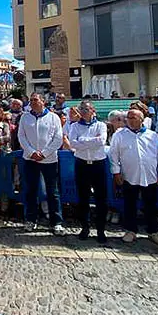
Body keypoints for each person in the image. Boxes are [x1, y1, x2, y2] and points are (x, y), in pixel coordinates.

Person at [109, 109, 158, 246]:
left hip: (150, 176)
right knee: (129, 204)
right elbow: (114, 155)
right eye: (128, 117)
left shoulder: (152, 135)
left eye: (133, 117)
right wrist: (116, 172)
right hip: (130, 175)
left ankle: (153, 231)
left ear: (141, 119)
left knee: (151, 205)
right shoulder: (120, 135)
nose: (129, 120)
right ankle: (130, 230)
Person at [18, 93, 64, 235]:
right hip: (30, 159)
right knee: (31, 191)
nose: (32, 102)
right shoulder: (25, 117)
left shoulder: (53, 117)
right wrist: (32, 152)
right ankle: (31, 219)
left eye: (35, 100)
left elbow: (58, 138)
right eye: (31, 100)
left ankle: (56, 222)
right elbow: (21, 136)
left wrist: (44, 153)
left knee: (52, 191)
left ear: (43, 101)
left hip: (49, 160)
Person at [68, 101, 109, 243]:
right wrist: (91, 141)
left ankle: (101, 230)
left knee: (101, 198)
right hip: (82, 164)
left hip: (98, 164)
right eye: (82, 109)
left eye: (87, 109)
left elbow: (102, 141)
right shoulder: (75, 126)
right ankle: (85, 227)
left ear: (93, 110)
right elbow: (73, 143)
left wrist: (83, 141)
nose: (84, 111)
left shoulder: (101, 125)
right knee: (83, 198)